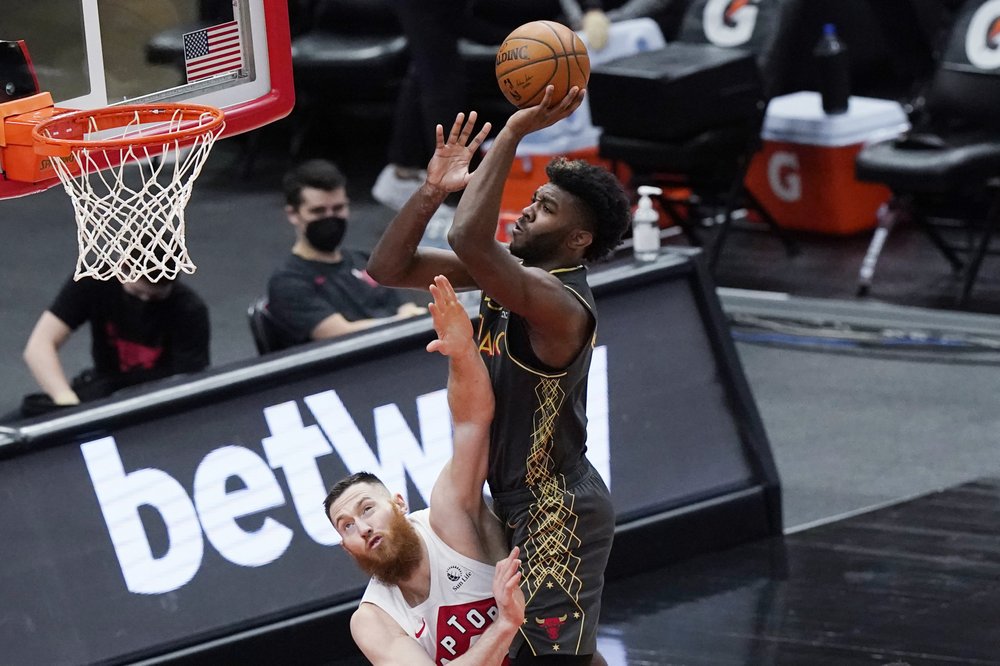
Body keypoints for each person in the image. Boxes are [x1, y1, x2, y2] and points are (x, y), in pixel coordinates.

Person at [366, 89, 632, 663]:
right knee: (558, 655)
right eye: (534, 198)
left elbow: (467, 236)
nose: (529, 210)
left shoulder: (559, 304)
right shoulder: (510, 275)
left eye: (547, 208)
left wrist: (511, 133)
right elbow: (387, 268)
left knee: (544, 657)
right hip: (512, 500)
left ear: (578, 239)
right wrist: (432, 191)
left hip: (556, 507)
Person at [324, 274, 524, 665]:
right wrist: (504, 625)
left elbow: (471, 423)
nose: (361, 527)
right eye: (346, 526)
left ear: (399, 503)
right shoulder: (373, 620)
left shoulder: (449, 516)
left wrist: (462, 353)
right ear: (346, 548)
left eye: (367, 509)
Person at [267, 159, 426, 345]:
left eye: (338, 208)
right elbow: (339, 334)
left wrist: (409, 316)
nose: (330, 218)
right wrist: (401, 323)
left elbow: (406, 306)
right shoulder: (288, 282)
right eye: (318, 211)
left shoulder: (367, 260)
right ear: (293, 214)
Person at [21, 272, 210, 416]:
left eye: (155, 298)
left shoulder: (190, 310)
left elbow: (187, 389)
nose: (144, 303)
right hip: (101, 391)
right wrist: (66, 401)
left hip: (154, 406)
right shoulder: (94, 280)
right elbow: (39, 346)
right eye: (136, 293)